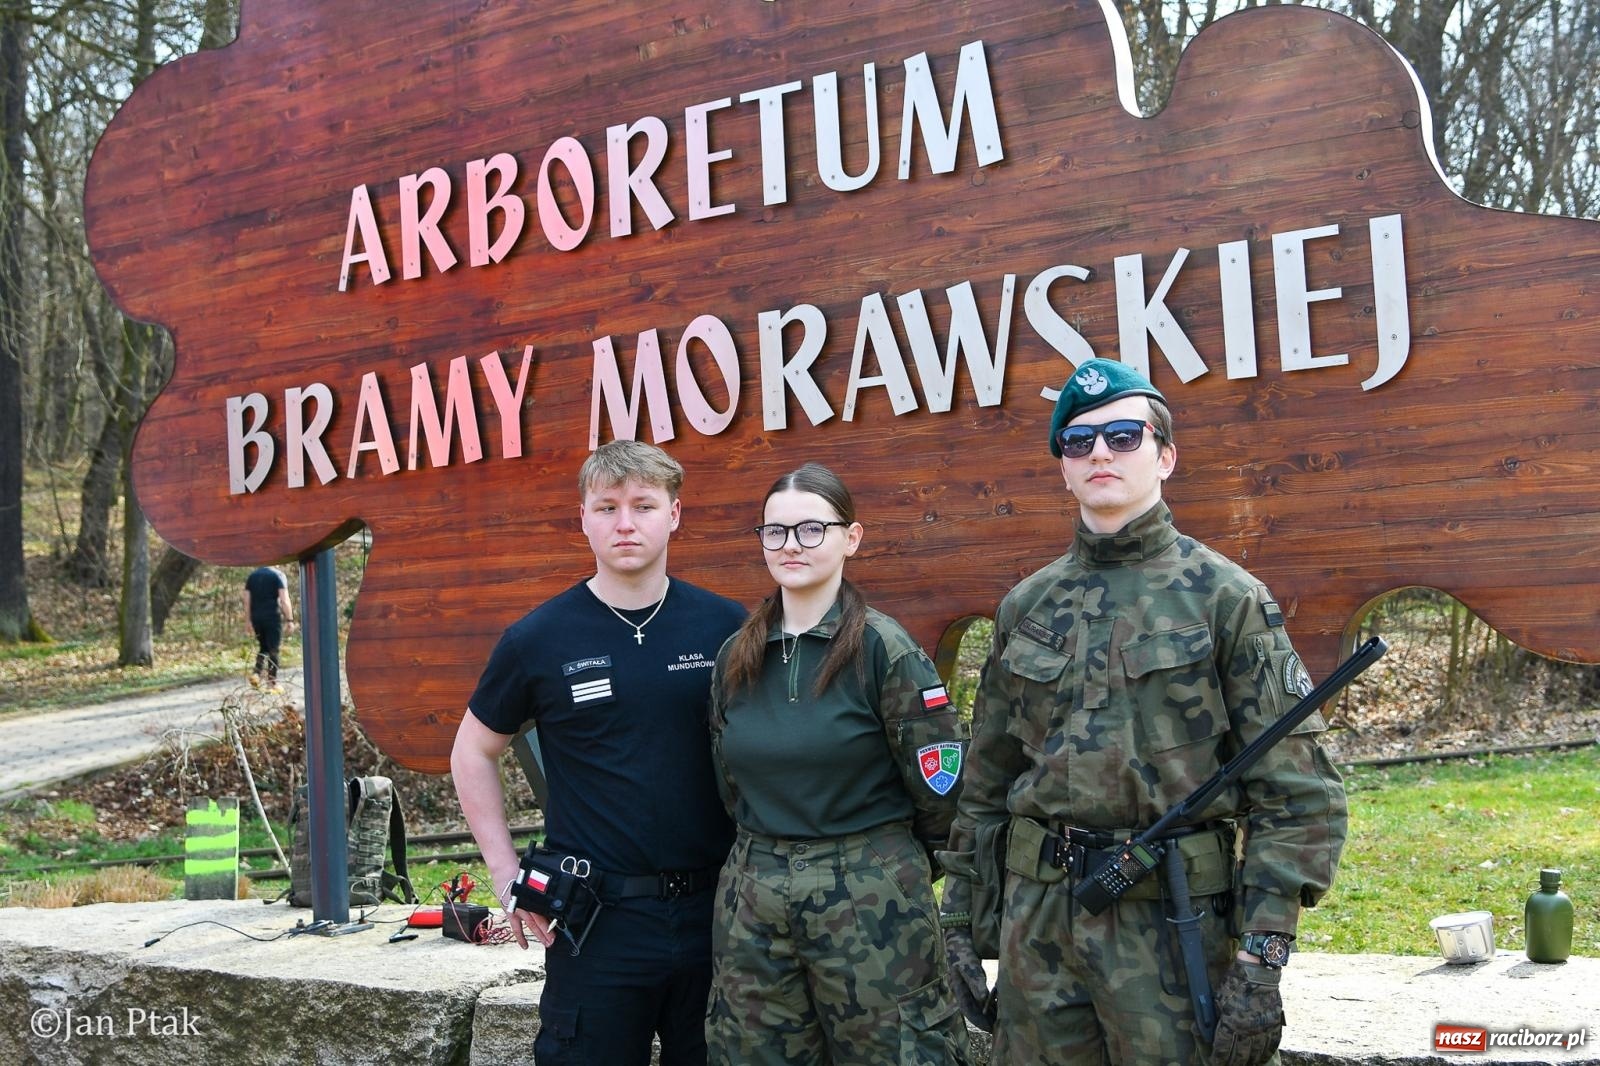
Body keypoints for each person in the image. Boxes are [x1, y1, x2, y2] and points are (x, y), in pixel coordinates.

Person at [940, 358, 1349, 1066]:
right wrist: (956, 925)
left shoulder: (1226, 599)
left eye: (1124, 436)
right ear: (1063, 468)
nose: (1100, 452)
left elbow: (1298, 796)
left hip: (1172, 925)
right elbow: (986, 785)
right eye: (1079, 441)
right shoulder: (1026, 607)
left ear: (1165, 456)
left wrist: (1262, 957)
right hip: (1038, 933)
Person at [451, 440, 745, 1066]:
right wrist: (506, 877)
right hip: (596, 924)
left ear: (675, 514)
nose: (625, 523)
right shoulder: (538, 638)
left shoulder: (726, 627)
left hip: (718, 915)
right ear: (582, 517)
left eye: (643, 505)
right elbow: (473, 750)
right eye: (607, 507)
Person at [705, 462, 971, 1065]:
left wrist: (886, 867)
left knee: (899, 1051)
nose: (790, 546)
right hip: (756, 897)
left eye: (810, 530)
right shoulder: (735, 657)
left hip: (869, 895)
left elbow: (941, 791)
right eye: (775, 532)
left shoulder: (883, 649)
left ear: (851, 538)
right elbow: (730, 783)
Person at [242, 565, 293, 688]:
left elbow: (247, 601)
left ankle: (256, 674)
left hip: (256, 617)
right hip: (272, 617)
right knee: (273, 649)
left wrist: (248, 620)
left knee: (263, 647)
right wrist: (289, 619)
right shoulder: (278, 575)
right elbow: (284, 600)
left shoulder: (252, 576)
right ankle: (272, 682)